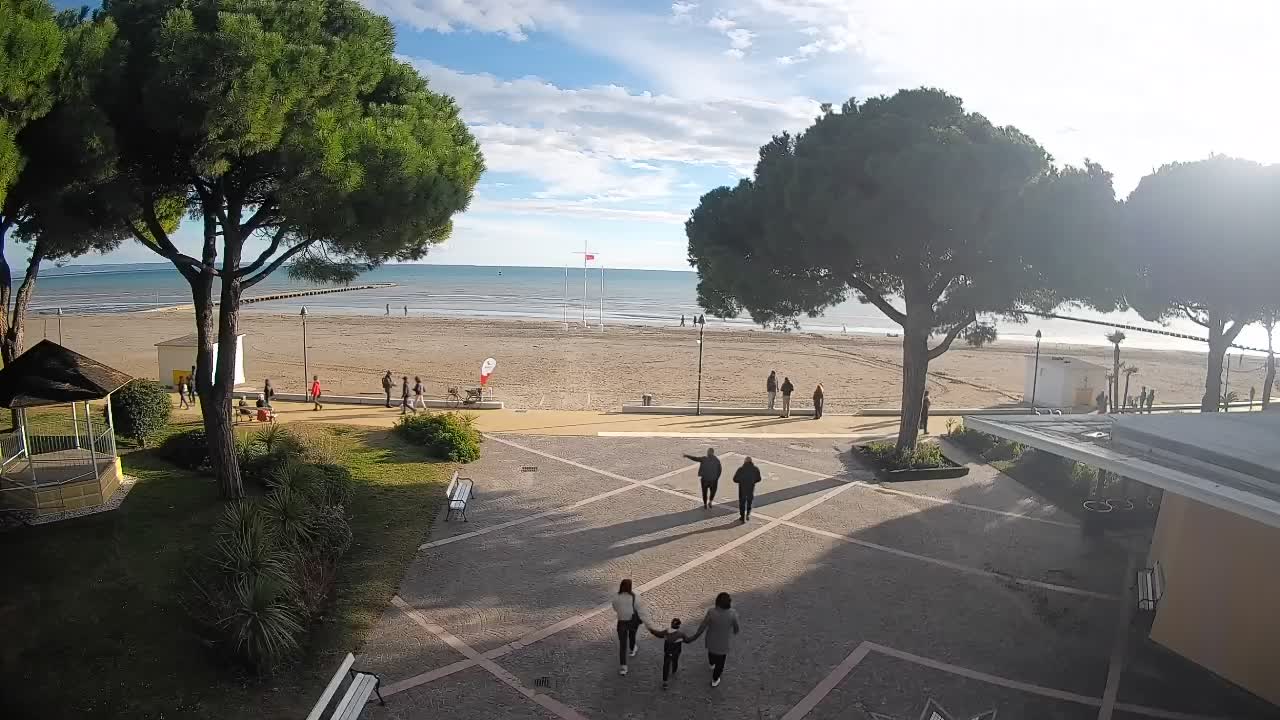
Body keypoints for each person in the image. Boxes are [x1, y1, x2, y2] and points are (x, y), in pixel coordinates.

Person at [685, 592, 740, 687]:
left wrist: (693, 638)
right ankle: (715, 680)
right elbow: (736, 627)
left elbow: (702, 626)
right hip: (723, 643)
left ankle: (711, 663)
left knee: (711, 653)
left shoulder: (711, 612)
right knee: (720, 663)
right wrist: (735, 630)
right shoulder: (733, 614)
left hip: (711, 640)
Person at [613, 579, 649, 676]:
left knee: (622, 646)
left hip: (622, 622)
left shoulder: (617, 596)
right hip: (632, 621)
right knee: (632, 636)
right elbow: (639, 608)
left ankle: (623, 667)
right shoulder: (634, 596)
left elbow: (615, 607)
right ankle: (633, 649)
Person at [648, 618, 691, 689]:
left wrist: (651, 630)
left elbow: (658, 634)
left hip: (667, 652)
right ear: (679, 626)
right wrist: (696, 635)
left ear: (671, 624)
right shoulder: (681, 634)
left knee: (666, 665)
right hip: (676, 653)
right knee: (675, 661)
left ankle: (665, 682)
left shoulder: (666, 632)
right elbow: (688, 640)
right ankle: (674, 670)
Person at [732, 457, 762, 522]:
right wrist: (753, 481)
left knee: (742, 503)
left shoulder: (741, 469)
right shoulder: (755, 469)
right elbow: (759, 479)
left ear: (745, 462)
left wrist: (741, 481)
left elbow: (734, 479)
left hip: (742, 489)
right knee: (749, 502)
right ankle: (747, 514)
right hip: (750, 488)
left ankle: (742, 517)